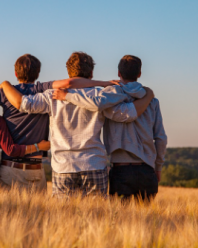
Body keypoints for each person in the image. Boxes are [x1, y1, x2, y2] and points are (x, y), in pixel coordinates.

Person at [0, 52, 155, 197]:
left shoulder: (51, 96)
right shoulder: (101, 96)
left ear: (68, 73)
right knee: (97, 219)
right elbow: (126, 114)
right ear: (91, 73)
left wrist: (5, 85)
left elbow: (24, 104)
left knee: (63, 220)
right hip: (94, 164)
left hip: (63, 166)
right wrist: (148, 96)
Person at [0, 54, 118, 191]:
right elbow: (70, 83)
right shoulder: (42, 89)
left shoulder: (4, 92)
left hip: (9, 168)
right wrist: (103, 83)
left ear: (16, 73)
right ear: (38, 73)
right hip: (35, 169)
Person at [53, 55, 167, 201]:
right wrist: (158, 167)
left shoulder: (109, 97)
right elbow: (161, 138)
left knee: (119, 221)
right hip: (147, 169)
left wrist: (67, 96)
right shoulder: (152, 101)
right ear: (139, 74)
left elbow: (95, 103)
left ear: (119, 73)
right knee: (146, 221)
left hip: (121, 170)